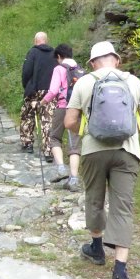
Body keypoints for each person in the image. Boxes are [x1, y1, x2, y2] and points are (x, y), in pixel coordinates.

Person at [64, 41, 140, 279]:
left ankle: (96, 248)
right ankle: (120, 272)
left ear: (92, 63)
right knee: (122, 206)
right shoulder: (133, 82)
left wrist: (89, 128)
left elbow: (70, 121)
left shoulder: (83, 82)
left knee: (94, 199)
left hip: (93, 151)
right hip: (127, 152)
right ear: (117, 59)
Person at [41, 44, 82, 191]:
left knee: (54, 137)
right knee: (75, 145)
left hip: (63, 106)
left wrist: (42, 102)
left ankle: (61, 169)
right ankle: (74, 179)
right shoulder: (80, 69)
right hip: (77, 109)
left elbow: (53, 91)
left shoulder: (59, 69)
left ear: (59, 56)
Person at [20, 32, 56, 160]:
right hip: (50, 91)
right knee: (47, 120)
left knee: (27, 115)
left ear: (35, 41)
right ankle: (48, 151)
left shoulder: (32, 52)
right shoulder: (55, 53)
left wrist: (26, 86)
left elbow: (26, 71)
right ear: (46, 40)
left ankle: (27, 143)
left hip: (34, 90)